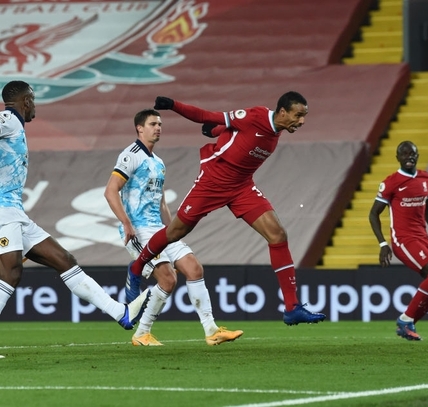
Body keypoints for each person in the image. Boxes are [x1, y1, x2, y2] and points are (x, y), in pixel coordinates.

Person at [125, 92, 326, 325]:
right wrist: (172, 105)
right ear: (283, 112)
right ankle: (137, 268)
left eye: (304, 116)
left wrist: (215, 132)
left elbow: (239, 137)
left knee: (278, 235)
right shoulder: (255, 115)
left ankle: (292, 307)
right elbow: (206, 116)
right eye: (298, 115)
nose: (302, 121)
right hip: (213, 180)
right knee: (175, 232)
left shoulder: (277, 130)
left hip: (242, 187)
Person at [0, 81, 150, 352]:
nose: (34, 106)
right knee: (10, 272)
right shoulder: (9, 119)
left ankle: (121, 313)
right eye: (32, 100)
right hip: (2, 211)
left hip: (14, 212)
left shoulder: (14, 126)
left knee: (64, 260)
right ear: (25, 101)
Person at [104, 108, 243, 346]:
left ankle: (211, 330)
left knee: (194, 269)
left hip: (160, 229)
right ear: (139, 128)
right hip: (139, 229)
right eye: (152, 124)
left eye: (160, 124)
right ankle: (141, 333)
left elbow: (160, 201)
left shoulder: (158, 163)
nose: (158, 128)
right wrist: (126, 223)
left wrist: (174, 230)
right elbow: (110, 191)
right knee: (168, 280)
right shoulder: (130, 155)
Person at [368, 141, 428, 341]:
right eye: (404, 154)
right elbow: (373, 214)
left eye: (412, 153)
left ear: (417, 155)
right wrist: (383, 244)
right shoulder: (391, 182)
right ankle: (406, 320)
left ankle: (408, 323)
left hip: (422, 237)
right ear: (398, 158)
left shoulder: (425, 178)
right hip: (403, 239)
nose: (409, 157)